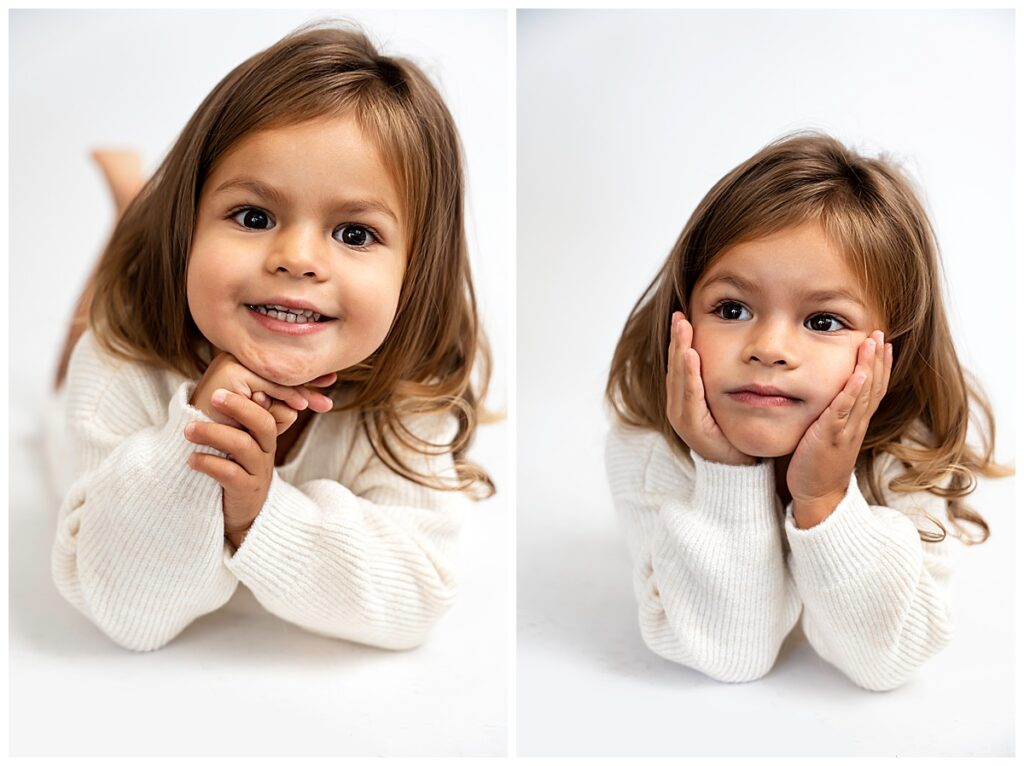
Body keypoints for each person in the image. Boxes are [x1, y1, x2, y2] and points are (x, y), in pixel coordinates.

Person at [48, 23, 494, 653]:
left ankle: (135, 211)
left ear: (415, 271)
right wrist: (198, 440)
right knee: (105, 300)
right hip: (118, 348)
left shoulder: (409, 400)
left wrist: (260, 513)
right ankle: (135, 221)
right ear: (190, 229)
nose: (297, 258)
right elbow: (125, 612)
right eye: (254, 217)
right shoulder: (122, 359)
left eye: (355, 233)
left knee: (130, 260)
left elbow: (417, 600)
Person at [604, 132, 1012, 691]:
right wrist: (725, 472)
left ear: (893, 348)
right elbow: (729, 655)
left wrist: (825, 501)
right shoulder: (650, 444)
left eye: (822, 322)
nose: (768, 347)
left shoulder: (909, 450)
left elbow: (886, 663)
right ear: (682, 314)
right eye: (731, 308)